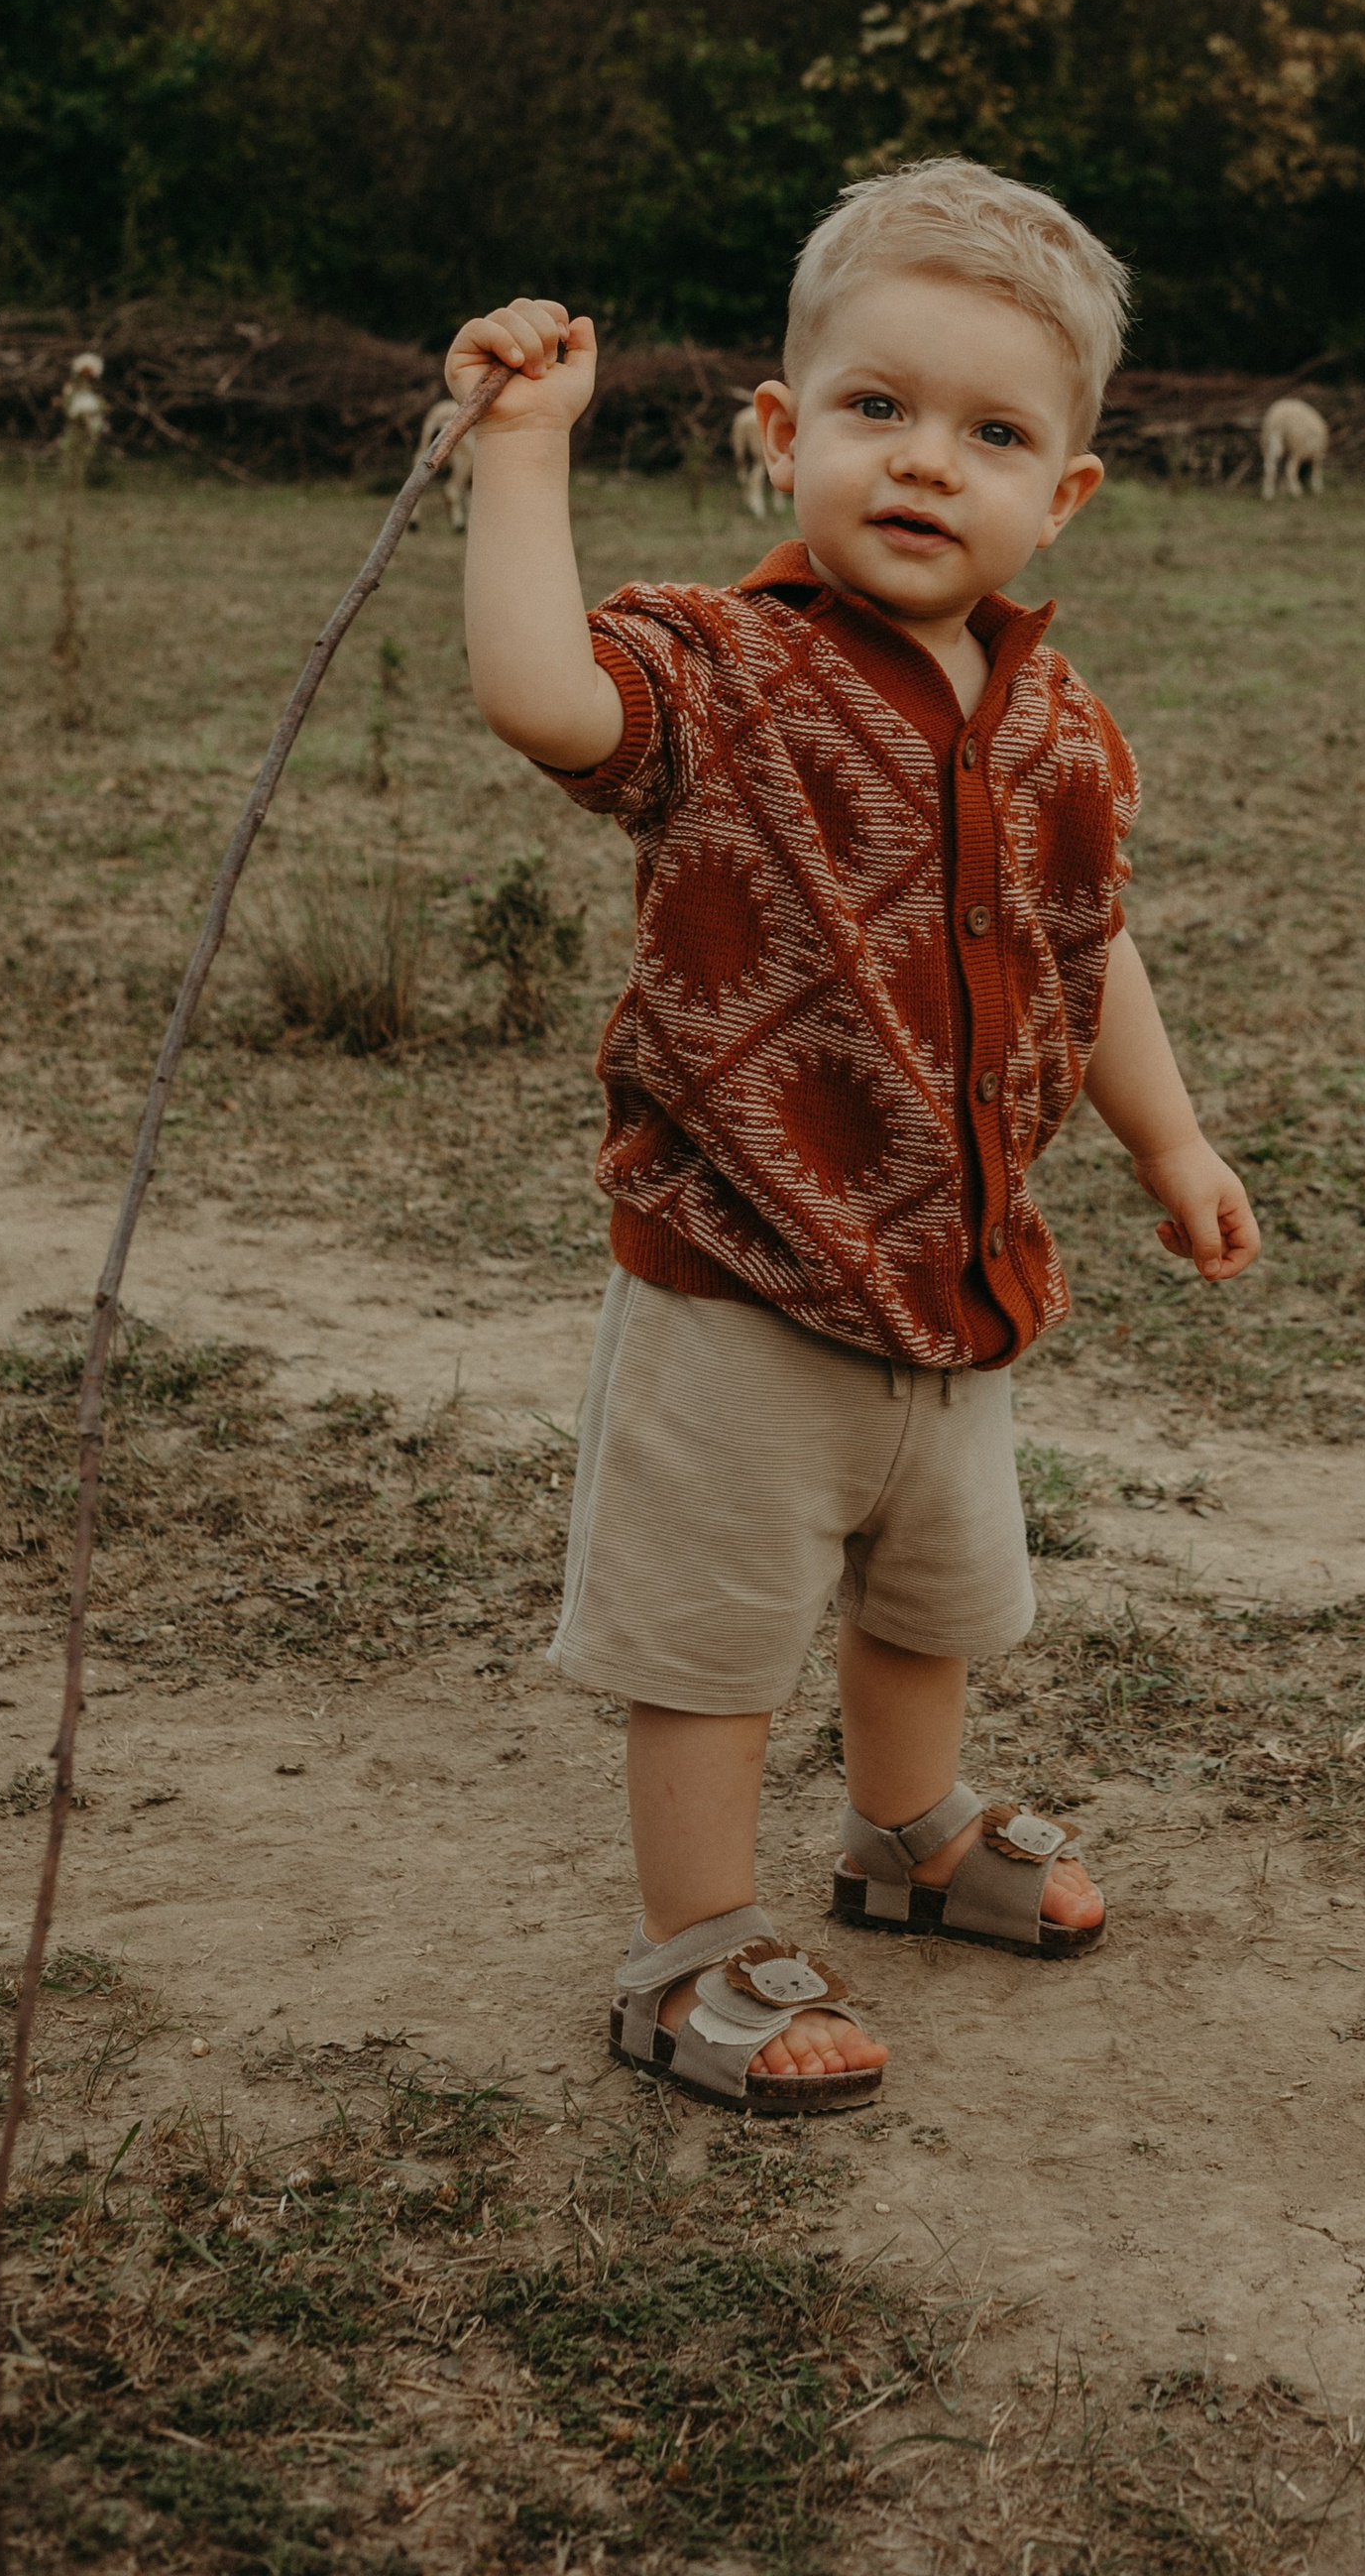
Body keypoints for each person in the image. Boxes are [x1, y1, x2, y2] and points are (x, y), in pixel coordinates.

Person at [446, 160, 1259, 2115]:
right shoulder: (721, 675)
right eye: (875, 412)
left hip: (954, 1273)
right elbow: (537, 696)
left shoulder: (1050, 718)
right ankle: (692, 1953)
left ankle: (902, 1838)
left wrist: (1166, 1140)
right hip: (740, 1275)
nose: (921, 465)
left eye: (988, 434)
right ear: (778, 436)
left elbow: (1092, 943)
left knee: (928, 1596)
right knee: (712, 1640)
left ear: (1059, 493)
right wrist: (519, 460)